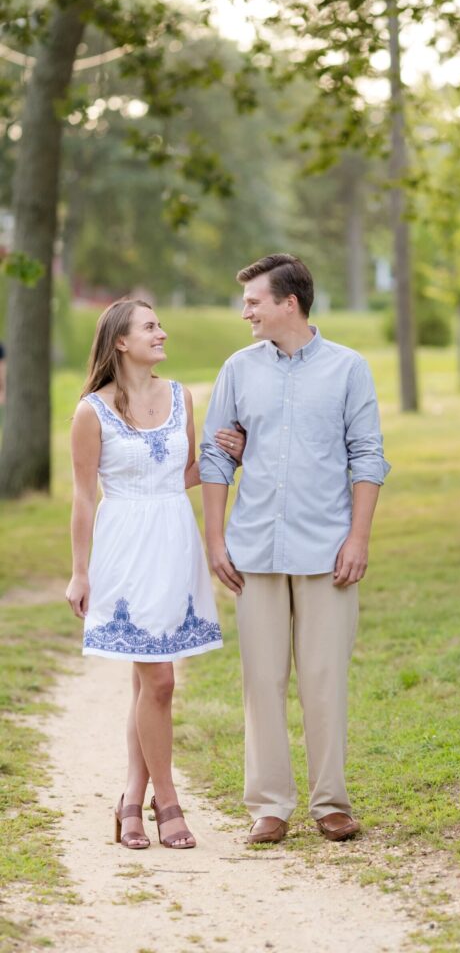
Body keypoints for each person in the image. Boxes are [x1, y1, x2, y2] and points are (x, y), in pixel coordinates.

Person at [200, 253, 390, 845]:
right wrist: (215, 538)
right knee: (261, 680)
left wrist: (358, 537)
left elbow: (367, 456)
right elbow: (214, 456)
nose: (245, 310)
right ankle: (270, 807)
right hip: (254, 547)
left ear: (290, 303)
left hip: (327, 548)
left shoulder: (348, 369)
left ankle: (331, 802)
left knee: (324, 677)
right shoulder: (238, 368)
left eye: (254, 300)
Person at [66, 299, 245, 850]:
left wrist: (223, 452)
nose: (161, 332)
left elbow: (181, 472)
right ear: (121, 341)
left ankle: (129, 799)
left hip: (173, 543)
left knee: (149, 683)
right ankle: (166, 800)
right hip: (124, 551)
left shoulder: (179, 396)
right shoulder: (90, 412)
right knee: (161, 681)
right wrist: (78, 574)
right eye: (150, 326)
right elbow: (82, 496)